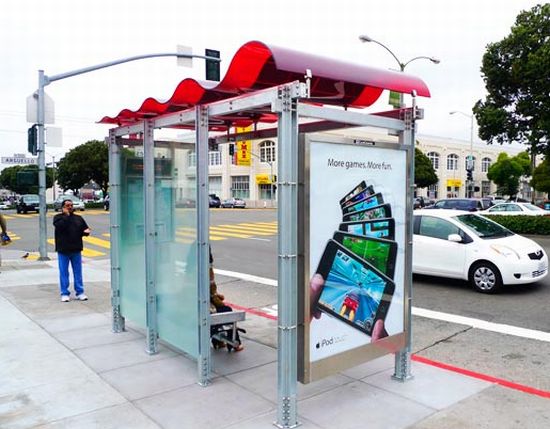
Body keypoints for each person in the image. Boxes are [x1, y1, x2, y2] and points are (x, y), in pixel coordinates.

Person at [53, 199, 91, 302]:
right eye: (67, 205)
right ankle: (64, 293)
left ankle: (80, 292)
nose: (69, 207)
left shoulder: (78, 218)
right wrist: (66, 216)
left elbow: (84, 229)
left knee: (78, 272)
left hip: (76, 249)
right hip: (63, 249)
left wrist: (86, 232)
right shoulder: (58, 218)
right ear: (62, 207)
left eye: (71, 205)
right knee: (64, 272)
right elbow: (60, 227)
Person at [209, 246, 244, 351]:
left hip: (194, 304)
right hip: (205, 307)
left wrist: (216, 296)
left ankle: (218, 342)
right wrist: (219, 299)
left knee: (220, 309)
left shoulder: (191, 271)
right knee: (226, 311)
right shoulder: (206, 272)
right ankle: (234, 343)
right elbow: (211, 294)